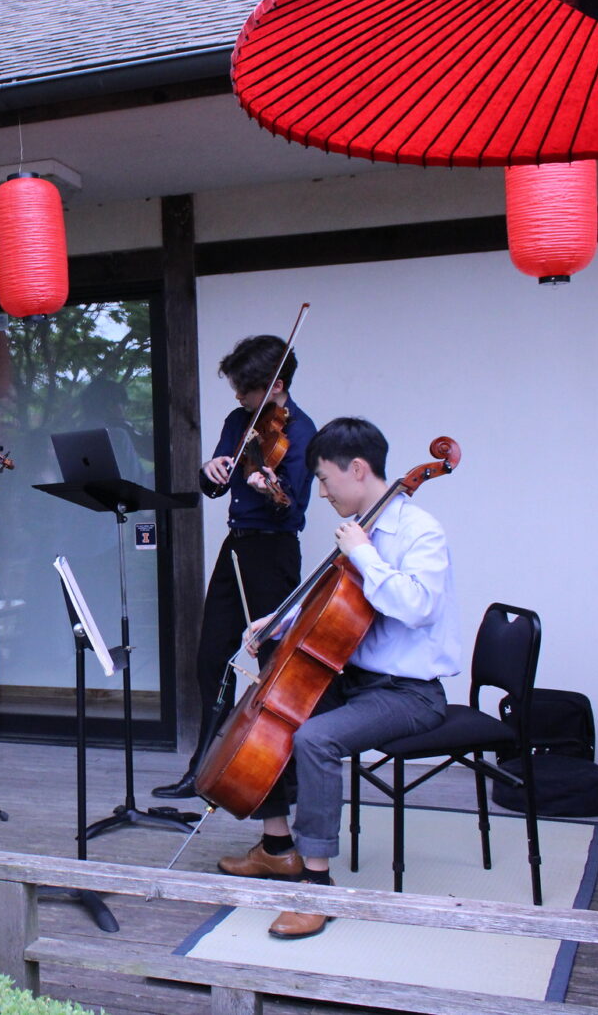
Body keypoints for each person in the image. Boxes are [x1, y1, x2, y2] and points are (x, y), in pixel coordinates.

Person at [216, 417, 460, 939]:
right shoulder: (362, 529)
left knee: (316, 738)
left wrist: (364, 554)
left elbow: (417, 607)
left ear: (356, 469)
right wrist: (276, 621)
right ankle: (278, 848)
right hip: (358, 679)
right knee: (276, 709)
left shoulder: (418, 531)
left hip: (410, 692)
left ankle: (315, 886)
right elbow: (327, 603)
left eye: (325, 479)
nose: (321, 492)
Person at [153, 334, 317, 801]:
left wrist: (271, 490)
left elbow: (295, 509)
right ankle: (203, 771)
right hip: (236, 548)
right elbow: (214, 488)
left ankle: (279, 776)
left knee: (273, 665)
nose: (238, 398)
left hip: (274, 552)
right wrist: (211, 469)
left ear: (276, 384)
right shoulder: (238, 420)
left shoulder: (302, 432)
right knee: (212, 658)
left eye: (245, 389)